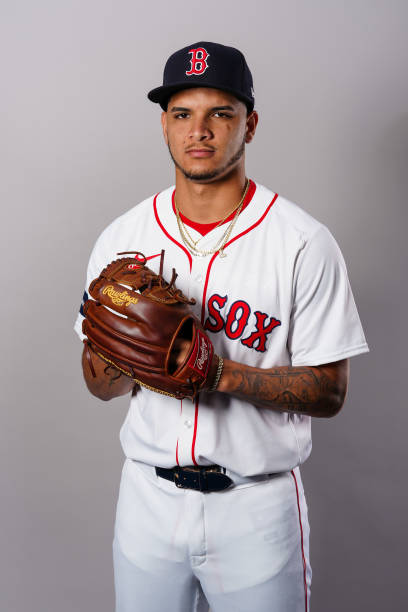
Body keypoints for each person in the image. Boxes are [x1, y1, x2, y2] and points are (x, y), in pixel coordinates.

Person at [75, 41, 369, 612]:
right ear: (164, 126)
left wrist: (217, 374)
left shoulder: (303, 243)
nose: (200, 131)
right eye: (183, 114)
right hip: (147, 500)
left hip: (256, 511)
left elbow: (330, 392)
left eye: (220, 114)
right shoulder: (122, 239)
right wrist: (127, 355)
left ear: (250, 126)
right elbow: (97, 385)